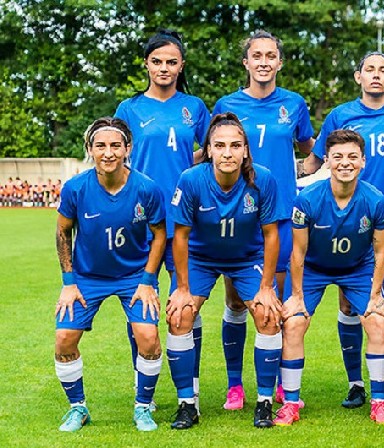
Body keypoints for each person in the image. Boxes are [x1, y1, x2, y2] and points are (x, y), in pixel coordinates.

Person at [303, 51, 384, 408]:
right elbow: (315, 160)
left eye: (383, 70)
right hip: (352, 218)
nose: (376, 75)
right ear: (358, 76)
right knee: (350, 300)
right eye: (369, 69)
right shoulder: (341, 114)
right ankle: (356, 382)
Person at [212, 30, 315, 408]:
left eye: (271, 56)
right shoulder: (227, 104)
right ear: (246, 62)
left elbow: (311, 151)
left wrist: (299, 177)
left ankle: (277, 384)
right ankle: (235, 385)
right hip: (238, 217)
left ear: (280, 62)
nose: (264, 62)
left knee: (276, 303)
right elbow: (212, 153)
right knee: (237, 302)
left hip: (281, 214)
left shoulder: (294, 104)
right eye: (257, 56)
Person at [165, 112, 283, 429]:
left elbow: (271, 235)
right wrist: (183, 289)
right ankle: (187, 404)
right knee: (180, 315)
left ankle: (264, 402)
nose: (227, 153)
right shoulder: (191, 179)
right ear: (208, 150)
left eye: (235, 145)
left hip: (246, 258)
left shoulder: (263, 179)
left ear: (245, 150)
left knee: (268, 314)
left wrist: (266, 287)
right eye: (219, 145)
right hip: (200, 258)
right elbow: (180, 236)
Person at [115, 29, 210, 410]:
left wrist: (188, 169)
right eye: (157, 61)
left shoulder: (195, 107)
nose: (164, 68)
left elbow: (212, 149)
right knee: (141, 303)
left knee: (187, 304)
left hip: (186, 220)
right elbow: (116, 157)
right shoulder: (129, 109)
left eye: (172, 62)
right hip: (142, 222)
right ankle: (145, 389)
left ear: (181, 65)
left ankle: (192, 388)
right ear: (146, 65)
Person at [274, 129, 384, 426]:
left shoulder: (376, 201)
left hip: (358, 268)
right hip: (313, 269)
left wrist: (375, 295)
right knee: (293, 323)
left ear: (363, 161)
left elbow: (381, 252)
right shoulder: (307, 199)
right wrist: (296, 297)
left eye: (352, 156)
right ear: (326, 160)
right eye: (337, 156)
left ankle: (379, 403)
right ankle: (290, 404)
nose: (345, 163)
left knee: (377, 322)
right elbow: (298, 253)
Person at [53, 117, 165, 432]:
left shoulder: (146, 188)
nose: (108, 152)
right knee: (63, 339)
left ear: (127, 148)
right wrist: (68, 283)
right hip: (87, 277)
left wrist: (147, 281)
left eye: (116, 145)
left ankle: (143, 407)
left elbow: (160, 235)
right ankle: (78, 408)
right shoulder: (76, 187)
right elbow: (62, 233)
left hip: (134, 276)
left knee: (148, 337)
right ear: (90, 149)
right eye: (100, 145)